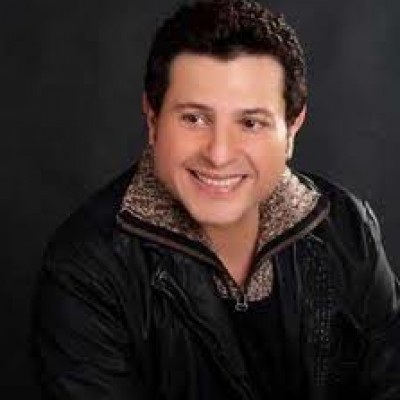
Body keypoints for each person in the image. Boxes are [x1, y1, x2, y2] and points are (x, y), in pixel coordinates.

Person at [33, 0, 400, 398]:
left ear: (292, 130)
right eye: (194, 118)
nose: (219, 154)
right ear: (153, 120)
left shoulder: (348, 227)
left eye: (251, 122)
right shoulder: (85, 267)